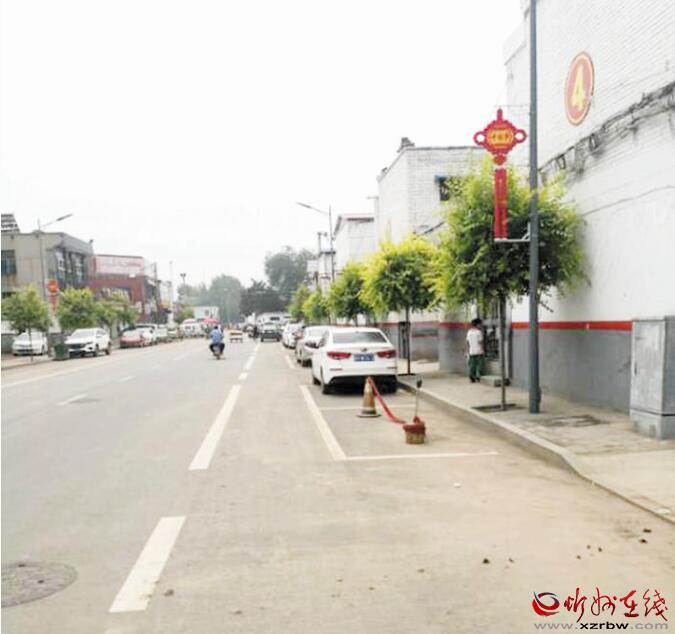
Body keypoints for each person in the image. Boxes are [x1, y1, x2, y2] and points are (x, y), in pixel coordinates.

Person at [465, 318, 484, 383]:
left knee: (472, 365)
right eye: (480, 324)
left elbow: (467, 342)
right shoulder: (478, 332)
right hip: (478, 351)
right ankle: (478, 376)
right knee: (479, 364)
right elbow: (480, 342)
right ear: (477, 324)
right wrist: (482, 349)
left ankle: (471, 377)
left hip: (471, 351)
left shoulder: (469, 332)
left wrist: (467, 351)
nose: (480, 326)